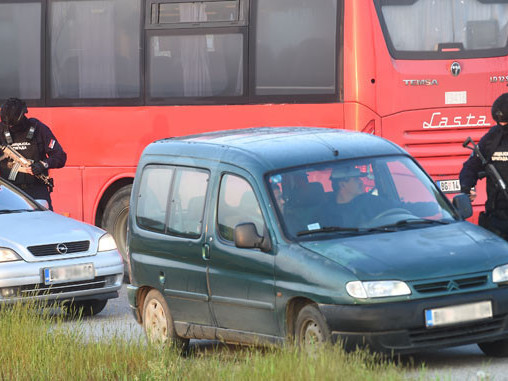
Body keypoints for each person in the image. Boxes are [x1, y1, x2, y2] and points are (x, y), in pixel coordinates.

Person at [0, 98, 66, 210]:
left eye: (13, 124)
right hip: (9, 193)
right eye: (8, 124)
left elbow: (60, 156)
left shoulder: (38, 129)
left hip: (36, 191)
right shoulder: (1, 130)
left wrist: (42, 165)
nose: (10, 128)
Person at [460, 92, 508, 239]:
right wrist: (467, 187)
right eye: (499, 122)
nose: (502, 126)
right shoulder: (492, 137)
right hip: (496, 217)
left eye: (505, 122)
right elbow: (471, 166)